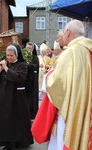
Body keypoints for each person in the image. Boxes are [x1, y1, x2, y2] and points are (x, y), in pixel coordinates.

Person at [31, 19, 92, 150]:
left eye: (63, 32)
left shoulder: (70, 53)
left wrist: (48, 75)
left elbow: (55, 83)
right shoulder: (89, 50)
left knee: (65, 138)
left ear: (68, 32)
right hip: (88, 107)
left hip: (70, 109)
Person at [0, 43, 33, 150]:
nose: (9, 57)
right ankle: (7, 142)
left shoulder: (22, 65)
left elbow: (19, 78)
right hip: (4, 97)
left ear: (17, 55)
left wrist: (5, 68)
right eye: (7, 55)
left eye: (11, 55)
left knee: (17, 121)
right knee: (5, 120)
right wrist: (0, 69)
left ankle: (19, 142)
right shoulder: (4, 65)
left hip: (17, 98)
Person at [25, 42, 39, 119]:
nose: (28, 50)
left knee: (32, 97)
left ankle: (32, 113)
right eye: (27, 48)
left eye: (30, 48)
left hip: (32, 79)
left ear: (32, 49)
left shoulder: (35, 57)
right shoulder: (24, 57)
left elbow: (35, 66)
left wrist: (28, 65)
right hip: (25, 79)